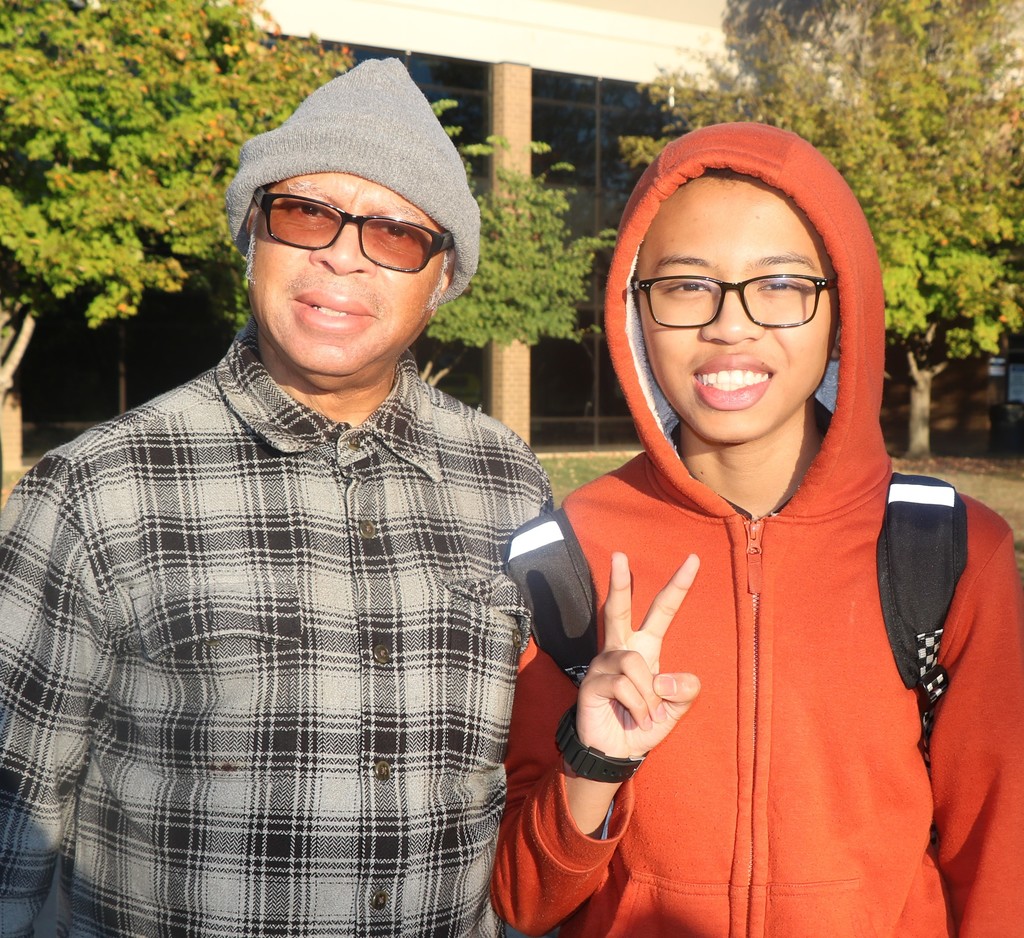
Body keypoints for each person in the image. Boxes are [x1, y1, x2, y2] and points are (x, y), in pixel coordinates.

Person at [0, 58, 551, 938]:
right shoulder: (96, 491)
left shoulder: (507, 481)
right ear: (251, 234)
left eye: (397, 234)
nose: (341, 253)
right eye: (305, 213)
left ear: (442, 279)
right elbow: (12, 818)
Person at [491, 122, 1024, 937]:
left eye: (779, 285)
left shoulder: (951, 554)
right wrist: (592, 762)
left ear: (842, 308)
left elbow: (999, 869)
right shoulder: (564, 554)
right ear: (635, 314)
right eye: (684, 286)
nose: (729, 326)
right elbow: (525, 902)